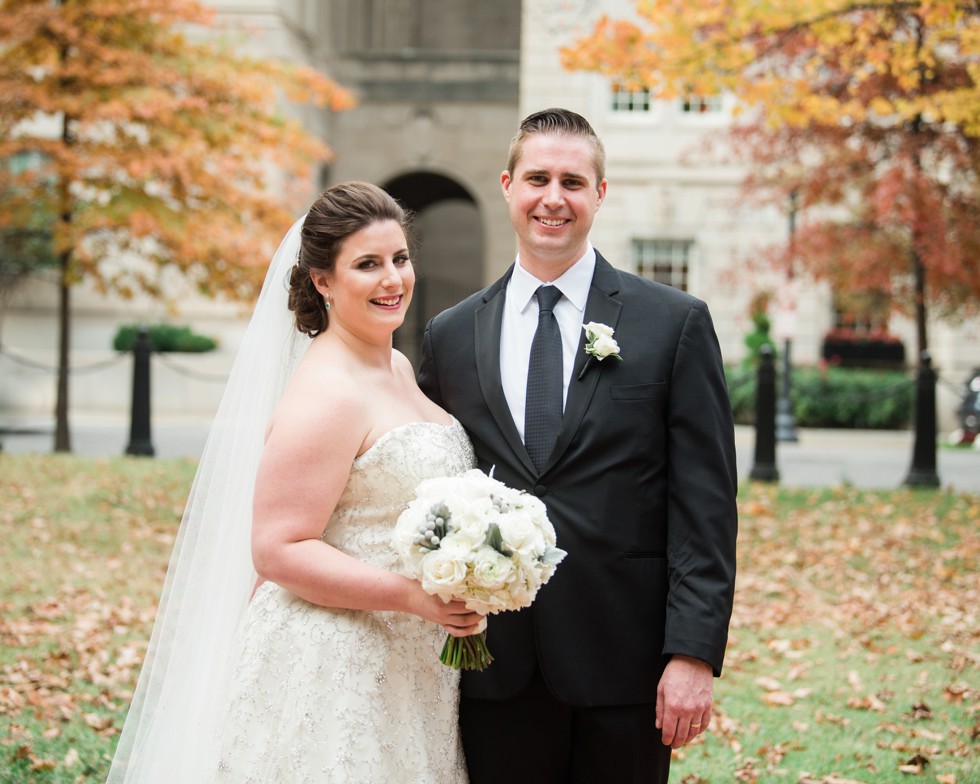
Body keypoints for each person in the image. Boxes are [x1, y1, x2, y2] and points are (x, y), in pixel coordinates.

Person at [107, 181, 481, 783]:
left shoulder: (396, 364)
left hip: (405, 661)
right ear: (322, 282)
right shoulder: (328, 394)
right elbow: (277, 548)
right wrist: (412, 596)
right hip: (333, 661)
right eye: (367, 265)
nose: (393, 279)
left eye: (399, 258)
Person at [418, 108, 738, 782]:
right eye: (537, 178)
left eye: (572, 181)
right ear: (507, 185)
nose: (552, 198)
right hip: (492, 662)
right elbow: (427, 483)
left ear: (599, 193)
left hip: (627, 661)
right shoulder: (450, 335)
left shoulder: (672, 324)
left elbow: (706, 508)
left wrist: (694, 654)